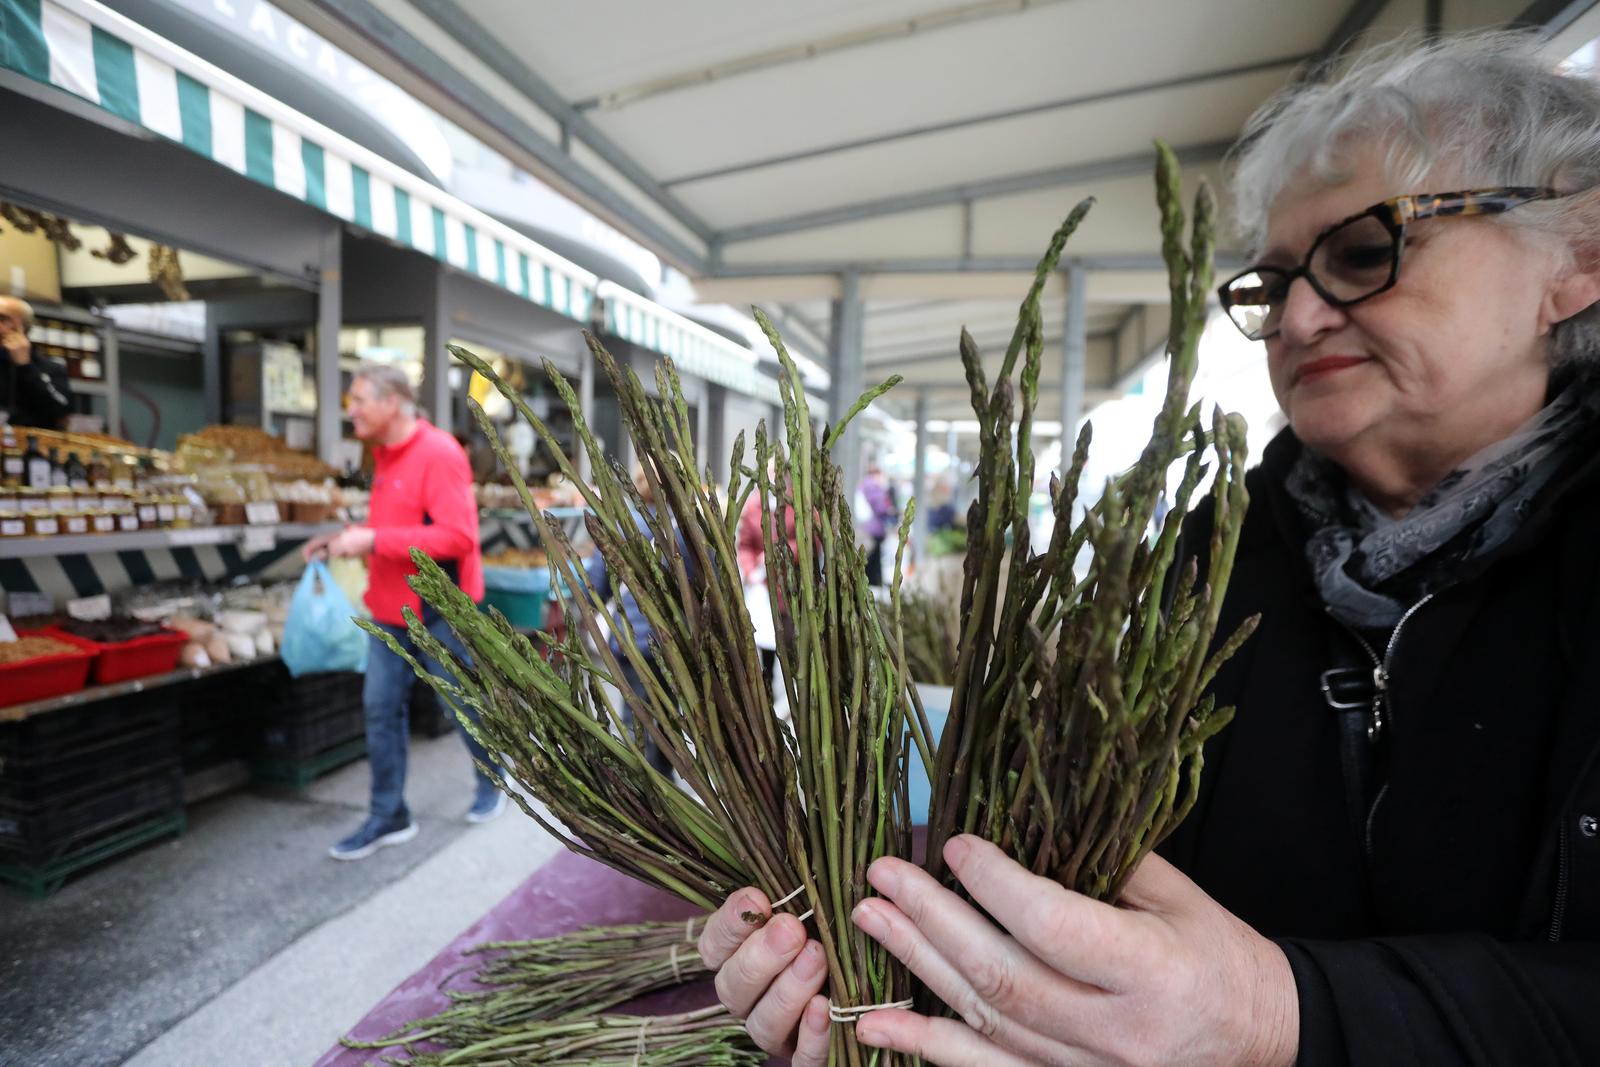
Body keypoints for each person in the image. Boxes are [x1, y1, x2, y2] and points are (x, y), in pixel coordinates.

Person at [695, 33, 1600, 1066]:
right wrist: (863, 965)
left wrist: (1281, 1013)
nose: (1297, 317)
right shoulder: (1200, 568)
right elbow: (1078, 908)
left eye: (1361, 250)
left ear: (1575, 258)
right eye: (1268, 283)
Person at [303, 363, 505, 861]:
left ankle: (494, 781)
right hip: (388, 609)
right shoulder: (384, 456)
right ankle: (389, 814)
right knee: (380, 710)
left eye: (358, 400)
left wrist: (372, 540)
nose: (350, 409)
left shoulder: (438, 453)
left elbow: (457, 537)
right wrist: (343, 542)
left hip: (438, 609)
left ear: (390, 402)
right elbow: (398, 527)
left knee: (462, 705)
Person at [585, 465, 694, 777]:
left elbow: (599, 582)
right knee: (671, 714)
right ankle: (667, 776)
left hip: (630, 639)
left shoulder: (621, 524)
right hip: (676, 640)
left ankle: (648, 783)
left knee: (637, 716)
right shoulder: (688, 528)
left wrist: (591, 601)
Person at [0, 297, 70, 429]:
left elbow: (59, 410)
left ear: (22, 328)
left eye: (2, 319)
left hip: (31, 445)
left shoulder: (50, 368)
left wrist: (25, 366)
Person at [857, 461, 898, 586]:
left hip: (869, 527)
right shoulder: (872, 486)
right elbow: (881, 507)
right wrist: (890, 510)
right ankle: (873, 582)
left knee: (873, 557)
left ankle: (873, 581)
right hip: (874, 528)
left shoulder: (864, 485)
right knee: (872, 559)